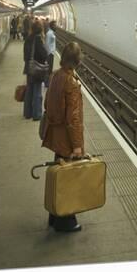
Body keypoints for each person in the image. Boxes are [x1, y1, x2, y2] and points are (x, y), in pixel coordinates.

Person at [41, 42, 84, 232]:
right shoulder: (71, 83)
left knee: (59, 175)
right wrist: (77, 146)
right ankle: (65, 222)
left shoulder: (55, 76)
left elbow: (46, 102)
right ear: (77, 61)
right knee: (66, 179)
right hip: (66, 138)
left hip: (55, 133)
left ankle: (53, 216)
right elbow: (73, 119)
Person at [23, 19, 48, 121]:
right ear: (40, 29)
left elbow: (25, 55)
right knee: (37, 92)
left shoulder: (28, 38)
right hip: (37, 69)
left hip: (29, 68)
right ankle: (37, 114)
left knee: (29, 91)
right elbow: (44, 55)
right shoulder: (38, 40)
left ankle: (27, 113)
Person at [44, 20, 57, 87]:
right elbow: (47, 44)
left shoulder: (51, 33)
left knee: (49, 69)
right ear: (51, 26)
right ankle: (47, 83)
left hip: (51, 53)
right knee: (48, 69)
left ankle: (48, 82)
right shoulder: (49, 33)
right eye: (55, 25)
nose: (56, 26)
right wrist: (48, 54)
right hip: (49, 54)